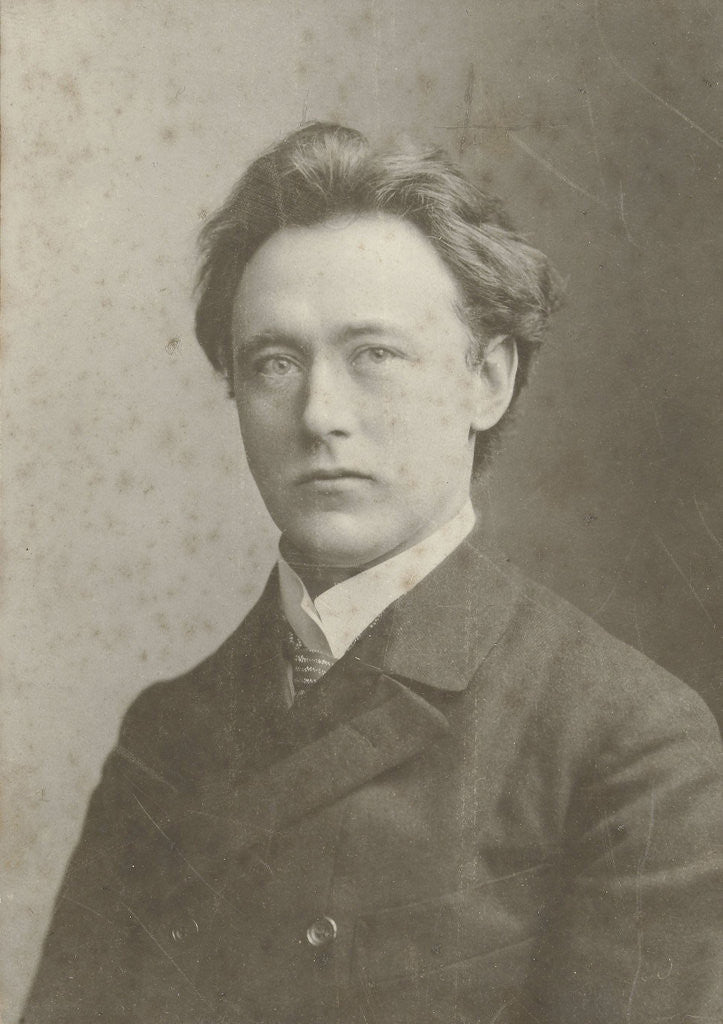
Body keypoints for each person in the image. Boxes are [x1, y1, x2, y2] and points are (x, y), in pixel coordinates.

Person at [22, 123, 721, 1024]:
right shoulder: (165, 738)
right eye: (274, 362)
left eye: (374, 356)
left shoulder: (627, 745)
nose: (319, 414)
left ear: (488, 382)